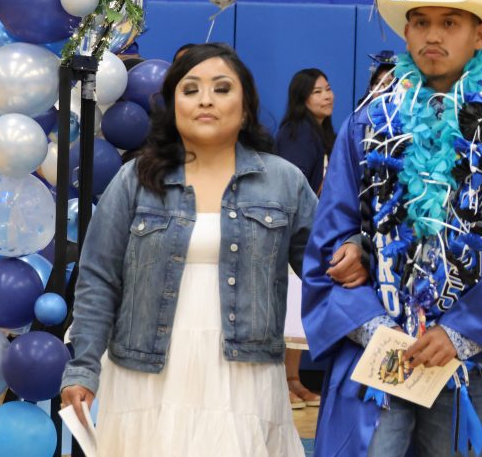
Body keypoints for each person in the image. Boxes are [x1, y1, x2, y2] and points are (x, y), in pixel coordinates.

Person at [302, 0, 482, 456]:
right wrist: (376, 324)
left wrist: (461, 332)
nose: (433, 36)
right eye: (421, 22)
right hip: (380, 348)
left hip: (470, 359)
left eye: (450, 23)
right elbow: (332, 233)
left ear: (480, 34)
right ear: (406, 31)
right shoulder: (370, 123)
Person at [61, 43, 317, 456]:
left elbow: (326, 271)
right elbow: (98, 279)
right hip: (144, 373)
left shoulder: (284, 181)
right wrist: (83, 367)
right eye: (190, 89)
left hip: (245, 377)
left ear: (245, 107)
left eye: (222, 88)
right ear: (173, 106)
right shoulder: (135, 179)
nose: (205, 100)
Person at [276, 68, 336, 410]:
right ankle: (281, 382)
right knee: (287, 309)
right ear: (302, 99)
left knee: (297, 310)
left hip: (314, 232)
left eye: (328, 89)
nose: (327, 96)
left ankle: (293, 379)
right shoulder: (297, 134)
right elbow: (292, 190)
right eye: (317, 92)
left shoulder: (322, 133)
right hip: (292, 233)